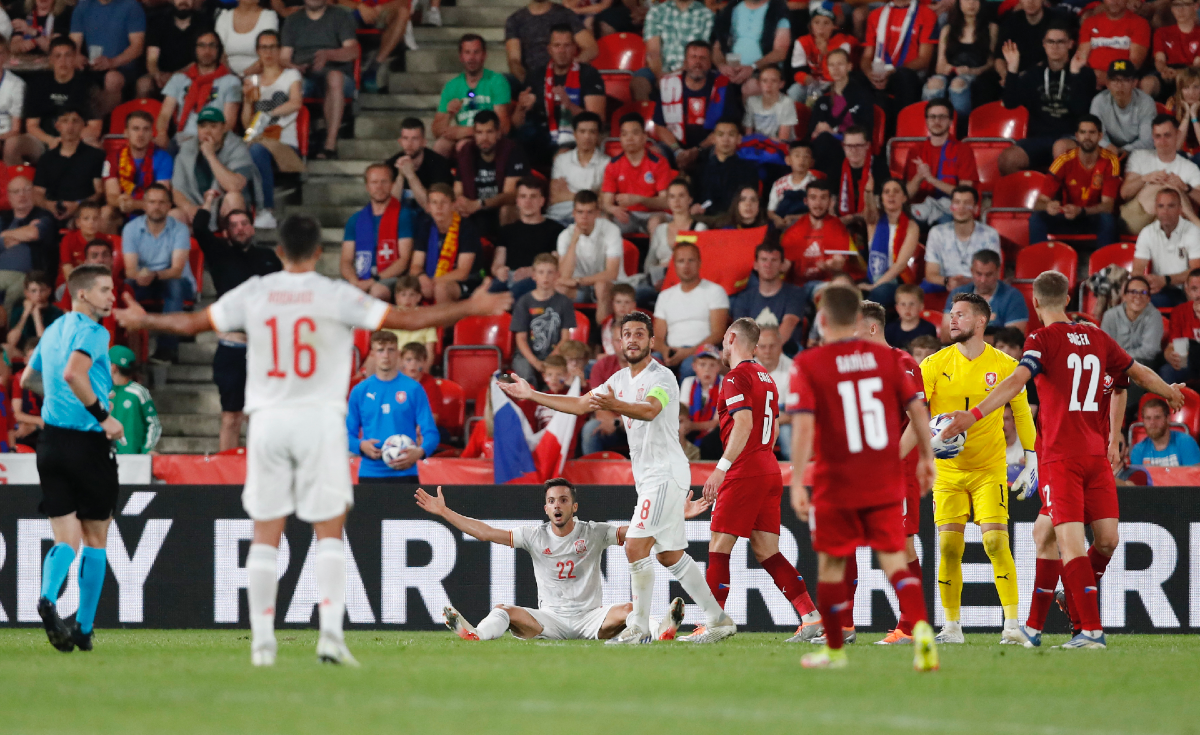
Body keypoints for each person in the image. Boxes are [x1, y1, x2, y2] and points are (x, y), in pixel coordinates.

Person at [111, 213, 514, 666]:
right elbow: (408, 316)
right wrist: (470, 308)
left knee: (266, 531)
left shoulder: (256, 291)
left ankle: (262, 642)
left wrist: (145, 321)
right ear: (318, 253)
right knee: (329, 533)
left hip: (267, 421)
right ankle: (329, 638)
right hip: (319, 420)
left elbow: (191, 325)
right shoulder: (334, 294)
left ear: (278, 250)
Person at [938, 270, 1185, 649]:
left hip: (1065, 458)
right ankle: (1043, 628)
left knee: (1093, 542)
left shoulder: (1042, 338)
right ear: (1068, 299)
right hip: (1089, 453)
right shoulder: (1098, 337)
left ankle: (1085, 627)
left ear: (1035, 303)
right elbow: (1135, 375)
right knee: (1049, 534)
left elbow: (1015, 382)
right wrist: (1169, 391)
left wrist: (973, 415)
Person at [498, 312, 737, 645]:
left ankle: (637, 628)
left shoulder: (663, 377)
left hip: (665, 472)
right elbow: (581, 405)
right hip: (650, 477)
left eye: (640, 334)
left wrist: (616, 404)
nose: (633, 339)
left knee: (636, 546)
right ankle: (718, 620)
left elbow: (651, 410)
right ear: (618, 341)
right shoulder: (619, 379)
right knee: (670, 555)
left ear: (652, 341)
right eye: (627, 334)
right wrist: (532, 394)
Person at [785, 284, 938, 669]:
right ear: (856, 318)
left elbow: (803, 429)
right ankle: (921, 633)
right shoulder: (889, 360)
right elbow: (918, 409)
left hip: (837, 478)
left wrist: (800, 478)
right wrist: (926, 456)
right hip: (882, 476)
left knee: (831, 563)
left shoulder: (810, 363)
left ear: (822, 319)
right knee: (894, 560)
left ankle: (835, 649)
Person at [423, 478, 693, 642]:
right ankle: (476, 635)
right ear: (546, 508)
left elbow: (637, 533)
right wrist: (445, 512)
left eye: (563, 500)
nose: (557, 505)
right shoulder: (533, 535)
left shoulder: (594, 532)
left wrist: (674, 516)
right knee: (504, 610)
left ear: (573, 507)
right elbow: (485, 533)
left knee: (628, 609)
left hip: (592, 618)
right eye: (551, 501)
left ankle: (663, 632)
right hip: (549, 619)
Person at [696, 317, 823, 643]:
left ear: (732, 337)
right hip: (768, 467)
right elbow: (774, 426)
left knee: (718, 546)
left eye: (724, 341)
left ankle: (713, 623)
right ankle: (811, 617)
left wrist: (722, 467)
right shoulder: (766, 378)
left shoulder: (735, 378)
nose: (723, 347)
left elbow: (744, 424)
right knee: (767, 550)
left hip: (744, 469)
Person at [923, 291, 1037, 644]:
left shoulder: (1004, 365)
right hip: (948, 472)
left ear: (980, 321)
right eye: (950, 314)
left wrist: (1031, 454)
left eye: (959, 314)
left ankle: (1013, 627)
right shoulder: (934, 364)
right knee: (948, 549)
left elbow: (1020, 412)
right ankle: (952, 627)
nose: (951, 319)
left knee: (995, 543)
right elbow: (914, 411)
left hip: (989, 469)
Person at [26, 263, 121, 654]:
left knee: (65, 538)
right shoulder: (94, 332)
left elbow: (27, 380)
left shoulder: (51, 330)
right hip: (87, 444)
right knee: (96, 538)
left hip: (50, 445)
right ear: (82, 294)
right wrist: (104, 415)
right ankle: (83, 628)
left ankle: (48, 598)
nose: (112, 297)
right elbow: (72, 374)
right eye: (104, 290)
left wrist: (58, 405)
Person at [857, 299, 932, 645]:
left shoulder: (902, 363)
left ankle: (912, 625)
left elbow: (918, 420)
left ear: (872, 328)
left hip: (897, 470)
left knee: (900, 545)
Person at [193, 204, 281, 452]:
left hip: (263, 349)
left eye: (244, 223)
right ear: (226, 232)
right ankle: (224, 482)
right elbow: (199, 228)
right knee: (231, 417)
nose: (240, 229)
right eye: (234, 225)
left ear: (252, 227)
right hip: (233, 348)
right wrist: (209, 201)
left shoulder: (268, 257)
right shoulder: (219, 253)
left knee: (260, 417)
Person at [997, 21, 1096, 176]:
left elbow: (1081, 111)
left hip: (1070, 137)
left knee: (1060, 149)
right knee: (1007, 159)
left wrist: (1075, 74)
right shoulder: (1033, 74)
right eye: (1050, 41)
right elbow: (1010, 103)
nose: (1055, 46)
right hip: (1039, 138)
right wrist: (1012, 68)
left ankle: (1053, 198)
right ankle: (1025, 197)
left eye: (1060, 42)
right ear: (1043, 44)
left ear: (1070, 44)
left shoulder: (1084, 74)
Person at [348, 330, 439, 484]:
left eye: (391, 350)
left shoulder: (413, 389)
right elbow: (345, 434)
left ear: (398, 353)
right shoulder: (360, 391)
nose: (386, 355)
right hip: (370, 474)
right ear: (372, 354)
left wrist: (419, 451)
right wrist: (360, 445)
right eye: (380, 350)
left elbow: (431, 432)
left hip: (405, 474)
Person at [123, 184, 196, 366]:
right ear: (145, 205)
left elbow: (177, 269)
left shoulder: (180, 229)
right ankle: (125, 350)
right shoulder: (131, 229)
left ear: (169, 206)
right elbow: (130, 270)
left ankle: (167, 350)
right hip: (144, 281)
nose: (156, 206)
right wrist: (141, 276)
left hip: (177, 283)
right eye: (152, 202)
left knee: (174, 284)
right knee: (125, 287)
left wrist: (153, 274)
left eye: (162, 202)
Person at [511, 24, 606, 162]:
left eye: (567, 46)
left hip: (576, 138)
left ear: (575, 49)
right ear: (549, 49)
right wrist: (520, 107)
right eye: (557, 46)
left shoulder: (589, 75)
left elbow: (598, 121)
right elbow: (516, 124)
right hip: (541, 137)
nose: (561, 51)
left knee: (562, 155)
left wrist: (569, 105)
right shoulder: (536, 76)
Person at [241, 28, 303, 230]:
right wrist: (247, 101)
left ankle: (266, 210)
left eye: (272, 47)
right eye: (263, 48)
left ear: (278, 50)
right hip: (258, 139)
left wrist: (270, 114)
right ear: (258, 51)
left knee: (257, 150)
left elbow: (296, 102)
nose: (268, 52)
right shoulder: (254, 81)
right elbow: (246, 125)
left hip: (284, 143)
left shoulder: (290, 75)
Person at [280, 0, 359, 160]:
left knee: (334, 77)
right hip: (303, 74)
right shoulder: (293, 20)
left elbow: (353, 50)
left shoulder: (340, 16)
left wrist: (328, 55)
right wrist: (294, 67)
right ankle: (289, 148)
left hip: (337, 74)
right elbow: (283, 57)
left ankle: (329, 144)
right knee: (286, 82)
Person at [1028, 115, 1120, 249]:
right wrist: (1049, 206)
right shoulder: (1063, 160)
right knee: (1036, 218)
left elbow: (1108, 206)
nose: (1087, 137)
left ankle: (1105, 267)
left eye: (1092, 132)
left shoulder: (1110, 160)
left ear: (1100, 136)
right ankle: (1040, 264)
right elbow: (1038, 203)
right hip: (1067, 215)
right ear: (1076, 136)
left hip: (1092, 217)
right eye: (1083, 132)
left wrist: (1082, 211)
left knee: (1108, 220)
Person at [653, 41, 738, 171]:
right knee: (655, 152)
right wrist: (677, 151)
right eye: (693, 57)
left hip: (708, 147)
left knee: (722, 152)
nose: (698, 62)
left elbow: (727, 127)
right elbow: (660, 125)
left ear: (710, 63)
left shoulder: (722, 85)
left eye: (703, 58)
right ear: (685, 62)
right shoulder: (669, 84)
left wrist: (696, 150)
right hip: (676, 147)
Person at [16, 37, 102, 164]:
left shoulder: (88, 86)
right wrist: (51, 140)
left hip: (77, 140)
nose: (63, 61)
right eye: (58, 56)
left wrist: (68, 140)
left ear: (74, 58)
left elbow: (95, 128)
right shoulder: (38, 84)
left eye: (67, 56)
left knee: (96, 147)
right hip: (44, 141)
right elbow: (31, 126)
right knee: (13, 145)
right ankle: (17, 182)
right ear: (51, 59)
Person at [341, 163, 417, 301]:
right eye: (374, 182)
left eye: (384, 182)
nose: (379, 187)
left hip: (392, 278)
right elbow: (346, 260)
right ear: (367, 186)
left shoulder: (403, 216)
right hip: (361, 277)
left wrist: (373, 280)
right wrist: (354, 281)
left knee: (377, 292)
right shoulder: (355, 220)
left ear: (392, 185)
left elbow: (404, 260)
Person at [171, 108, 259, 227]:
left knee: (234, 198)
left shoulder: (238, 147)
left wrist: (210, 156)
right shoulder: (187, 149)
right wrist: (188, 208)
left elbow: (235, 186)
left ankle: (233, 244)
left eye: (213, 126)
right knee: (174, 215)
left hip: (223, 210)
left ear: (223, 128)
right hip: (197, 208)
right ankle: (181, 246)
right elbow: (177, 189)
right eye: (203, 127)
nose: (207, 131)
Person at [653, 243, 730, 377]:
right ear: (674, 265)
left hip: (703, 351)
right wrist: (665, 351)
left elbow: (718, 333)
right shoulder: (665, 296)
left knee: (689, 367)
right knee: (650, 365)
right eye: (681, 261)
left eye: (691, 260)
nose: (686, 266)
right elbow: (657, 337)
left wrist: (688, 352)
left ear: (699, 263)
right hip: (672, 350)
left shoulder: (715, 291)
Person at [431, 34, 512, 159]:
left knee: (464, 145)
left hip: (488, 137)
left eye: (476, 52)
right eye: (467, 53)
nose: (472, 58)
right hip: (461, 137)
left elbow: (503, 127)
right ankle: (441, 179)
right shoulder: (451, 86)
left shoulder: (497, 81)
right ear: (461, 57)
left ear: (484, 55)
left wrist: (466, 131)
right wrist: (449, 114)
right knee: (440, 146)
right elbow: (437, 131)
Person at [156, 31, 242, 149]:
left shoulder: (231, 81)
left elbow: (229, 122)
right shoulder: (179, 79)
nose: (207, 51)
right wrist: (161, 133)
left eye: (212, 45)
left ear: (219, 50)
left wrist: (210, 143)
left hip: (215, 141)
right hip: (182, 139)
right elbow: (164, 114)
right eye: (201, 46)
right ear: (194, 49)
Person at [861, 0, 938, 132]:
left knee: (904, 77)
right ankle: (864, 138)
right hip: (879, 70)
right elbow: (867, 56)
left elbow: (924, 59)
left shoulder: (926, 14)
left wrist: (892, 72)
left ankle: (903, 133)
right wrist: (869, 73)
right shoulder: (875, 15)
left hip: (910, 73)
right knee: (853, 79)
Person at [455, 109, 527, 242]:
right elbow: (458, 189)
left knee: (507, 209)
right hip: (473, 209)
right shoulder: (466, 152)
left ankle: (504, 251)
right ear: (474, 134)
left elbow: (510, 195)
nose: (484, 138)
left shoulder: (512, 150)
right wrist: (462, 203)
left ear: (498, 133)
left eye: (489, 132)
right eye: (480, 132)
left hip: (497, 209)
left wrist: (479, 204)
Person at [902, 100, 978, 227]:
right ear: (926, 121)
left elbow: (966, 195)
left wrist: (931, 179)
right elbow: (906, 196)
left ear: (950, 121)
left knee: (945, 223)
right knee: (900, 220)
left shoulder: (963, 150)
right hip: (921, 208)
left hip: (951, 210)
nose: (937, 121)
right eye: (932, 117)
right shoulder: (916, 150)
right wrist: (919, 177)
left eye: (942, 117)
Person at [1120, 114, 1200, 235]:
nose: (1162, 141)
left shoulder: (1189, 167)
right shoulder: (1139, 156)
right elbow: (1125, 194)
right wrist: (1145, 178)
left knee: (1170, 194)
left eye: (1167, 135)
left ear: (1177, 135)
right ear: (1153, 137)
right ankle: (1195, 221)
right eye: (1158, 136)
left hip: (1170, 224)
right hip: (1137, 217)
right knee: (1168, 188)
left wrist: (1186, 188)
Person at [68, 0, 146, 115]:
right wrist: (77, 56)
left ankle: (105, 123)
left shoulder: (131, 6)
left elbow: (137, 46)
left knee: (112, 78)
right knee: (66, 70)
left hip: (123, 67)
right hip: (92, 64)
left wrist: (112, 62)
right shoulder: (83, 6)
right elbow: (74, 42)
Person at [602, 113, 674, 236]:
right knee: (603, 222)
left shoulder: (659, 162)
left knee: (655, 223)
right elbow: (606, 202)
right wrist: (613, 209)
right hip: (628, 215)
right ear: (620, 138)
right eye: (625, 134)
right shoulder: (613, 165)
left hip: (656, 214)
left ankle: (653, 256)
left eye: (635, 133)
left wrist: (640, 200)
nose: (629, 138)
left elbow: (665, 201)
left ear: (644, 137)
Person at [556, 190, 623, 322]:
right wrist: (574, 241)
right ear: (573, 213)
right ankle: (563, 336)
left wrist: (579, 281)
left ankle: (600, 337)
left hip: (609, 286)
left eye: (589, 212)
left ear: (597, 213)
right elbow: (564, 275)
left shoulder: (611, 230)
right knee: (559, 288)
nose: (584, 217)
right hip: (579, 288)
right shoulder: (565, 235)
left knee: (601, 286)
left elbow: (612, 273)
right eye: (580, 212)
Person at [409, 183, 482, 304]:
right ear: (428, 207)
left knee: (441, 289)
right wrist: (422, 278)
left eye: (444, 202)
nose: (439, 207)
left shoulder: (467, 228)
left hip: (467, 281)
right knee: (406, 289)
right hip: (431, 280)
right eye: (434, 202)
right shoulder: (424, 226)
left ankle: (444, 323)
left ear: (453, 205)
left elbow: (462, 272)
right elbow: (416, 265)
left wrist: (432, 282)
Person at [32, 108, 106, 226]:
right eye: (65, 121)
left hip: (84, 213)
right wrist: (49, 205)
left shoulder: (96, 156)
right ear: (57, 126)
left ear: (83, 125)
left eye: (75, 121)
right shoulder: (46, 158)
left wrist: (78, 205)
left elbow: (99, 192)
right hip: (52, 213)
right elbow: (37, 192)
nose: (70, 126)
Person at [493, 177, 563, 300]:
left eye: (533, 197)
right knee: (489, 292)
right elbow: (497, 263)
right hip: (509, 277)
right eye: (523, 196)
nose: (528, 201)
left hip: (538, 279)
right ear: (517, 201)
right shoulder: (507, 230)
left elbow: (556, 263)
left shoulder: (556, 229)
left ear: (542, 201)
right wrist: (499, 270)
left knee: (515, 293)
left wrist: (532, 271)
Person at [511, 252, 576, 384]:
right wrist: (535, 362)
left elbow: (565, 338)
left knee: (558, 378)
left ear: (557, 275)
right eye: (541, 272)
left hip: (555, 354)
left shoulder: (564, 302)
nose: (545, 277)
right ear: (534, 275)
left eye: (550, 272)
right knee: (526, 376)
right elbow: (521, 339)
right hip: (527, 355)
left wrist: (550, 360)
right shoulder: (524, 302)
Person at [922, 0, 995, 118]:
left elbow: (991, 63)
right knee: (934, 84)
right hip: (951, 71)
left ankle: (960, 127)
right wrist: (952, 69)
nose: (971, 4)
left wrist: (974, 71)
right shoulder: (948, 30)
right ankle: (931, 126)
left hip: (976, 73)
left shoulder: (991, 28)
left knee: (958, 84)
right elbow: (939, 66)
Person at [102, 111, 174, 229]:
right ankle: (109, 247)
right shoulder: (112, 158)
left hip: (152, 209)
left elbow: (161, 197)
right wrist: (121, 202)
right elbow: (111, 195)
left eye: (146, 129)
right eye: (135, 129)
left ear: (152, 133)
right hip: (123, 209)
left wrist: (134, 205)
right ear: (126, 133)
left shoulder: (164, 158)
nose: (140, 134)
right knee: (106, 212)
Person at [807, 50, 875, 176]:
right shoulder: (823, 99)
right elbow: (812, 130)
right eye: (832, 65)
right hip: (826, 145)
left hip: (852, 146)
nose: (836, 69)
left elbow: (866, 129)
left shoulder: (862, 96)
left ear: (849, 66)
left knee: (825, 140)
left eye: (840, 64)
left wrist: (833, 133)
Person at [633, 0, 715, 102]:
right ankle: (648, 117)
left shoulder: (706, 14)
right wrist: (661, 76)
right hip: (660, 69)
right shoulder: (656, 11)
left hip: (691, 68)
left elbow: (700, 53)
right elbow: (653, 51)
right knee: (639, 82)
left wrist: (675, 75)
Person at [923, 185, 1000, 293]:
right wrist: (948, 281)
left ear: (976, 208)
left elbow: (993, 273)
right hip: (945, 284)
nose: (961, 207)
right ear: (951, 207)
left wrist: (967, 283)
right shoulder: (937, 233)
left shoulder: (989, 234)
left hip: (978, 285)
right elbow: (930, 273)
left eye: (967, 203)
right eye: (957, 202)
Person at [779, 179, 855, 287]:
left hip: (830, 284)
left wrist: (831, 266)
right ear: (806, 201)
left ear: (830, 202)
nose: (818, 203)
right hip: (800, 287)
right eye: (813, 198)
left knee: (842, 282)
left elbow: (840, 262)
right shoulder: (793, 231)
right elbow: (785, 266)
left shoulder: (837, 227)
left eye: (823, 198)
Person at [504, 0, 597, 87]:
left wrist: (569, 69)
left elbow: (591, 48)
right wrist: (528, 83)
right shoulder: (515, 20)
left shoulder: (565, 15)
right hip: (532, 79)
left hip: (562, 78)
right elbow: (514, 60)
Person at [1133, 188, 1200, 309]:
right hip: (1160, 290)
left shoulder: (1193, 232)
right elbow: (1137, 271)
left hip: (1189, 291)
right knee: (1137, 300)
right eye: (1161, 206)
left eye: (1171, 206)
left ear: (1180, 209)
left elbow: (1197, 272)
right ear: (1155, 209)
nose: (1165, 211)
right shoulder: (1147, 232)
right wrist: (1145, 284)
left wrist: (1166, 280)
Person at [711, 0, 791, 99]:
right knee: (714, 85)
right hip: (731, 67)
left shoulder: (777, 10)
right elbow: (716, 48)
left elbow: (780, 52)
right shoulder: (730, 10)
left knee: (751, 87)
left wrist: (752, 67)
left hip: (762, 69)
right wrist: (722, 65)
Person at [730, 242, 804, 348]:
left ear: (782, 265)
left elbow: (789, 324)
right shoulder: (744, 298)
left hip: (786, 353)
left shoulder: (795, 293)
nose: (768, 265)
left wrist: (766, 352)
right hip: (753, 354)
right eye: (764, 260)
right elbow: (742, 333)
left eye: (774, 260)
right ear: (755, 264)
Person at [0, 176, 57, 313]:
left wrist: (4, 235)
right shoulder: (3, 218)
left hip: (30, 275)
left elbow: (33, 234)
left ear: (33, 193)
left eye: (26, 190)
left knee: (16, 292)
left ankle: (7, 330)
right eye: (16, 191)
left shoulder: (44, 216)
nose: (21, 195)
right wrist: (21, 233)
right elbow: (28, 233)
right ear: (9, 196)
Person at [861, 178, 919, 307]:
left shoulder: (911, 226)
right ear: (881, 198)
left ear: (904, 198)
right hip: (872, 277)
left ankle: (862, 322)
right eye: (886, 192)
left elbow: (900, 265)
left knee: (880, 292)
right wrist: (868, 191)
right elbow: (869, 209)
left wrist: (875, 286)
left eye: (896, 191)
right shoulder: (874, 221)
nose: (891, 195)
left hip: (897, 281)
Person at [545, 111, 609, 225]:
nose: (587, 136)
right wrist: (591, 195)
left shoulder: (607, 163)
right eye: (582, 131)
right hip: (560, 214)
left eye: (592, 132)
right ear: (575, 134)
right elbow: (555, 197)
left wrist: (568, 194)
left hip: (590, 216)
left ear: (598, 135)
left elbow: (603, 200)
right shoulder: (561, 160)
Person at [943, 250, 1028, 334]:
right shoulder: (957, 294)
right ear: (972, 271)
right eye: (979, 274)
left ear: (998, 272)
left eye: (989, 274)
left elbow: (1012, 338)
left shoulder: (1013, 297)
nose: (983, 280)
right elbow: (946, 334)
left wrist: (964, 334)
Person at [689, 120, 759, 217]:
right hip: (705, 221)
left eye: (731, 135)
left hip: (735, 221)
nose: (725, 139)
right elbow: (693, 199)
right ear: (713, 138)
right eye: (720, 134)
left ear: (739, 139)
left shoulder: (749, 170)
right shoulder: (700, 169)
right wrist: (694, 207)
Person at [787, 6, 856, 103]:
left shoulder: (842, 43)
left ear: (834, 26)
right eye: (816, 22)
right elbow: (797, 71)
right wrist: (805, 78)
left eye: (826, 23)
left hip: (833, 82)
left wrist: (825, 53)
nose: (821, 27)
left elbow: (839, 73)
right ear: (811, 25)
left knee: (820, 98)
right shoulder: (802, 42)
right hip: (811, 82)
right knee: (794, 91)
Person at [386, 118, 456, 212]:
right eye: (405, 138)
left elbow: (432, 208)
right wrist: (400, 177)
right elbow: (389, 208)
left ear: (424, 142)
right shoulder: (391, 164)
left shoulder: (439, 164)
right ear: (400, 141)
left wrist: (411, 176)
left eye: (414, 139)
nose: (409, 144)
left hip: (430, 219)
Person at [141, 0, 206, 100]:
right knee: (143, 84)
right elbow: (152, 58)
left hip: (192, 74)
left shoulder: (204, 23)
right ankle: (139, 115)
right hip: (162, 75)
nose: (183, 1)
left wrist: (174, 76)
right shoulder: (158, 22)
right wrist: (157, 74)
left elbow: (202, 59)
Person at [1090, 60, 1156, 155]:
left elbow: (1147, 141)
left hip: (1138, 154)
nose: (1119, 85)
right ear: (1107, 83)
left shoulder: (1146, 102)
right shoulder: (1099, 101)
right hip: (1107, 152)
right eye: (1114, 80)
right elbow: (1095, 134)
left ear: (1134, 82)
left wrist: (1123, 150)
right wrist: (1108, 147)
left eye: (1125, 80)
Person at [1077, 0, 1150, 86]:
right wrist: (1089, 75)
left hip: (1121, 80)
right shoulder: (1089, 22)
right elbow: (1082, 56)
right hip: (1090, 80)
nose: (1115, 1)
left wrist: (1108, 77)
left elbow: (1135, 63)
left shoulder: (1140, 23)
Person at [825, 126, 888, 223]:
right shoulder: (836, 166)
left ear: (867, 145)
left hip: (872, 222)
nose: (854, 150)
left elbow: (879, 207)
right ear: (843, 146)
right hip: (842, 222)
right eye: (849, 146)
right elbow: (831, 201)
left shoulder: (879, 167)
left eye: (858, 145)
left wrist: (851, 218)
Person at [107, 344, 161, 455]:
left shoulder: (139, 392)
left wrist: (147, 449)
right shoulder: (104, 392)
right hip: (105, 459)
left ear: (113, 367)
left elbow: (154, 424)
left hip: (134, 459)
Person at [1101, 275, 1164, 363]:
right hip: (1114, 364)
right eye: (1133, 292)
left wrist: (1122, 356)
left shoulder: (1154, 315)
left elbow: (1150, 351)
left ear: (1148, 298)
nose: (1138, 296)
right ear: (1125, 296)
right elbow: (1105, 348)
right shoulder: (1110, 315)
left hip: (1143, 365)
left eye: (1143, 292)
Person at [214, 0, 280, 76]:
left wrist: (243, 75)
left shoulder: (269, 16)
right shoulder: (224, 17)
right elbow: (218, 51)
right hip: (227, 76)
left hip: (260, 75)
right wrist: (231, 77)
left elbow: (268, 51)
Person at [1152, 0, 1200, 99]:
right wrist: (1164, 69)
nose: (1180, 10)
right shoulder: (1161, 32)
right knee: (1148, 82)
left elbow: (1197, 66)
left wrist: (1178, 73)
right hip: (1168, 72)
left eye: (1185, 5)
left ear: (1196, 6)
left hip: (1193, 74)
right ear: (1172, 9)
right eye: (1176, 5)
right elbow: (1159, 59)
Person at [1131, 397, 1200, 466]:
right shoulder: (1138, 450)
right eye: (1148, 418)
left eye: (1157, 417)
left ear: (1168, 419)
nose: (1152, 422)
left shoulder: (1186, 442)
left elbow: (1194, 475)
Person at [7, 271, 60, 359]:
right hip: (22, 352)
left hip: (44, 352)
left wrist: (37, 316)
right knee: (6, 348)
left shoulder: (56, 312)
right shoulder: (18, 309)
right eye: (33, 291)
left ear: (49, 291)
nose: (38, 295)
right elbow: (11, 342)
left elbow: (46, 343)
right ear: (26, 293)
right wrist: (25, 313)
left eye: (42, 290)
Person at [388, 276, 439, 366]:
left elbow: (430, 352)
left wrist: (424, 372)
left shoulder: (427, 318)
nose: (407, 299)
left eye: (412, 295)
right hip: (394, 361)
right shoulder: (390, 316)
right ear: (397, 298)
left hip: (416, 361)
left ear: (419, 297)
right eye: (403, 295)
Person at [767, 143, 819, 229]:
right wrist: (777, 219)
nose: (801, 160)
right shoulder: (779, 184)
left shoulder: (815, 184)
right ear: (788, 160)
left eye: (806, 157)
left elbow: (818, 211)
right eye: (797, 156)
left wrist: (795, 218)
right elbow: (770, 211)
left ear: (812, 162)